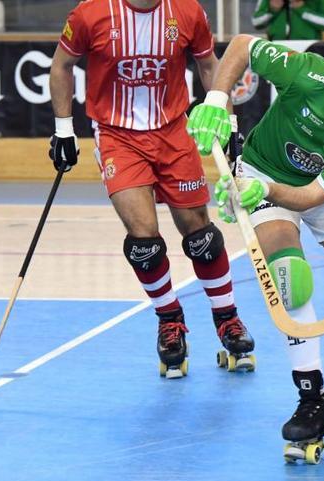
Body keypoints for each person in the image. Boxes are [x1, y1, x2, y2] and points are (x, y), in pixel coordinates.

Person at [186, 34, 324, 459]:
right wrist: (217, 100)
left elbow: (311, 197)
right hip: (261, 170)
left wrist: (262, 190)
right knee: (290, 280)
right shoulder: (310, 75)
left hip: (314, 192)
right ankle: (312, 396)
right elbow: (243, 45)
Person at [48, 0, 254, 379]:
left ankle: (227, 318)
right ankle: (169, 319)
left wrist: (226, 119)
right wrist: (63, 129)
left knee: (201, 237)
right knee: (143, 241)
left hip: (174, 129)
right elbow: (61, 65)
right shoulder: (90, 13)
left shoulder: (188, 11)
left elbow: (209, 64)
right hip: (116, 135)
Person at [251, 0, 324, 41]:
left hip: (308, 48)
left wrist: (302, 9)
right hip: (276, 46)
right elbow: (256, 22)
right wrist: (273, 11)